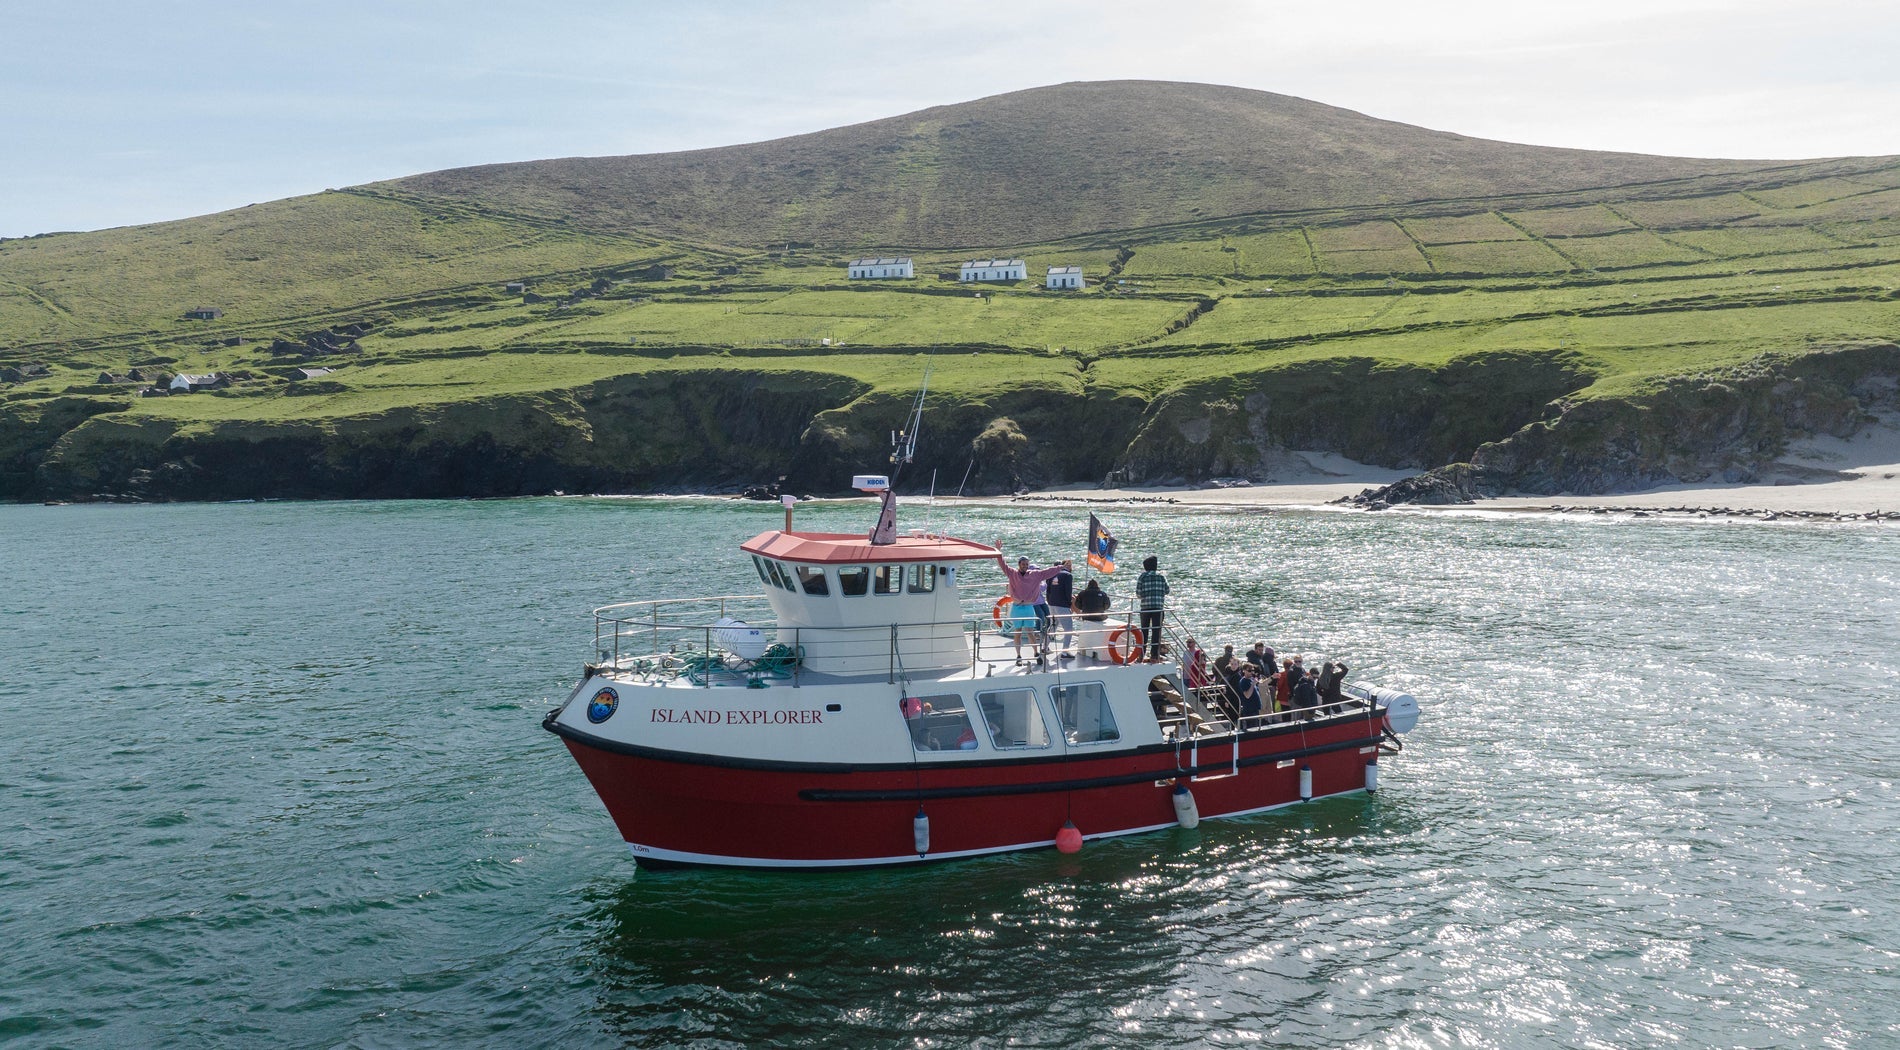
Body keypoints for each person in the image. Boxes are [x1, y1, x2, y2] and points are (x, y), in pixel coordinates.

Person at [997, 555, 1063, 661]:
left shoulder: (1034, 575)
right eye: (1023, 564)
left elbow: (1047, 572)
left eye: (1027, 564)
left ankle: (1036, 653)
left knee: (1030, 632)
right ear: (1019, 564)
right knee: (1017, 632)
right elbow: (1003, 565)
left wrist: (1060, 567)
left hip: (1028, 607)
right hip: (1017, 607)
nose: (1025, 566)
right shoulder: (1012, 573)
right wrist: (999, 553)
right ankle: (1018, 655)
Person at [1135, 555, 1169, 662]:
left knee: (1144, 632)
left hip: (1145, 608)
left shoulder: (1142, 577)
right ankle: (1154, 655)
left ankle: (1141, 654)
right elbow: (1167, 590)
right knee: (1156, 631)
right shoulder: (1161, 577)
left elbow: (1138, 593)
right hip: (1158, 608)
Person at [1044, 559, 1075, 658]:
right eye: (1069, 565)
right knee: (1068, 629)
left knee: (1053, 626)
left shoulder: (1052, 574)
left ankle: (1045, 647)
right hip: (1062, 605)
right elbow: (1068, 592)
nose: (1071, 567)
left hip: (1052, 604)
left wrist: (1049, 602)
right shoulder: (1068, 576)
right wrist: (1069, 604)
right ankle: (1065, 652)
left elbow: (1048, 590)